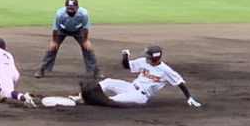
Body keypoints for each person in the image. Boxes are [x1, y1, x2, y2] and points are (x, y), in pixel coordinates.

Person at [71, 44, 201, 108]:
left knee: (115, 100)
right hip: (131, 86)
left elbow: (180, 82)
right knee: (108, 82)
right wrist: (125, 56)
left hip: (140, 95)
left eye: (148, 57)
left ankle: (89, 100)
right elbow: (127, 66)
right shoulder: (143, 61)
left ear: (155, 59)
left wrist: (189, 97)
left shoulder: (165, 70)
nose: (146, 58)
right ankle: (83, 96)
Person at [35, 0, 102, 80]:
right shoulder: (60, 14)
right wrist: (54, 41)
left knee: (88, 49)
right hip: (62, 29)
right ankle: (41, 69)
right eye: (68, 8)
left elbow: (85, 28)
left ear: (77, 7)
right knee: (52, 49)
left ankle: (96, 71)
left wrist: (85, 40)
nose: (70, 10)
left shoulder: (83, 14)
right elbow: (55, 29)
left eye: (72, 9)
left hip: (78, 30)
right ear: (65, 7)